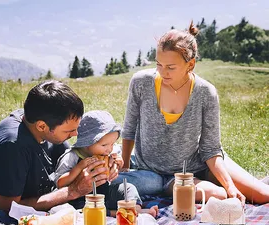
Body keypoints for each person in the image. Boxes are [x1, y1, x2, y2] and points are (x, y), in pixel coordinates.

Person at [114, 21, 269, 204]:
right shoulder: (141, 82)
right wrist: (124, 166)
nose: (163, 72)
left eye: (171, 67)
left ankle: (213, 176)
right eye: (159, 64)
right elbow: (129, 129)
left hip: (200, 162)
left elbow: (210, 149)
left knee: (263, 196)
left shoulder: (206, 93)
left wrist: (229, 185)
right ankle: (195, 185)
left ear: (191, 64)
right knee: (218, 195)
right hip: (162, 175)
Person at [0, 80, 117, 212]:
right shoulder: (12, 147)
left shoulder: (42, 120)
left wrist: (108, 164)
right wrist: (73, 191)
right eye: (69, 131)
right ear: (41, 126)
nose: (75, 134)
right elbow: (6, 207)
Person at [54, 110, 158, 217]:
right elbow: (59, 183)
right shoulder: (72, 156)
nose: (109, 149)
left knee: (128, 188)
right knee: (80, 210)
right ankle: (117, 213)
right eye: (104, 145)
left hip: (106, 194)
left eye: (112, 144)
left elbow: (117, 168)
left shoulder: (106, 153)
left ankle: (135, 210)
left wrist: (118, 163)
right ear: (87, 143)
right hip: (82, 200)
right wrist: (79, 167)